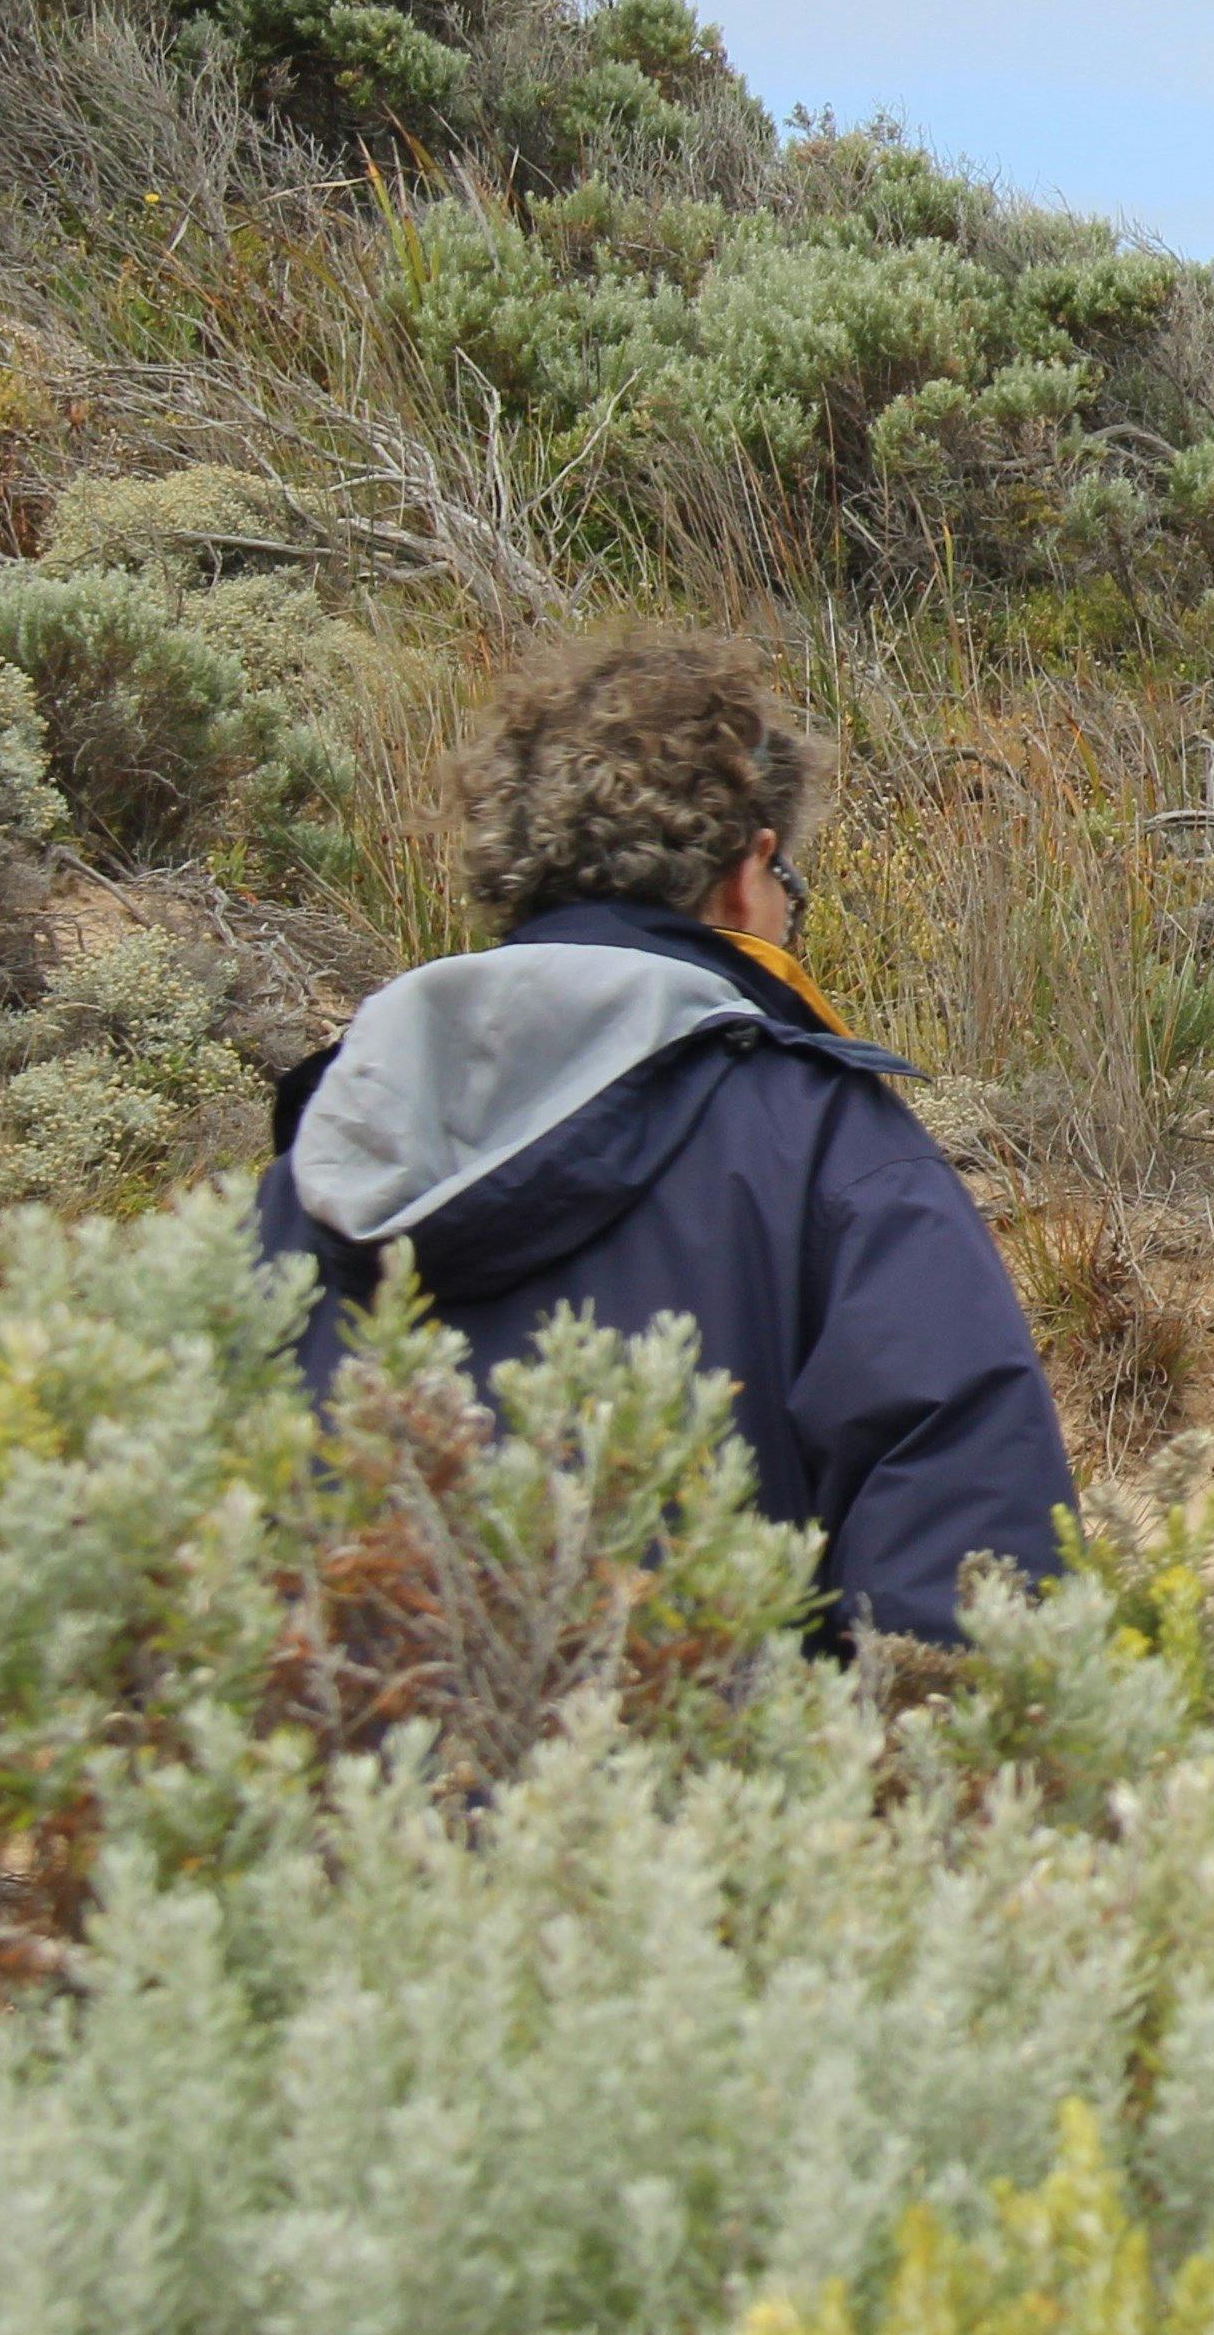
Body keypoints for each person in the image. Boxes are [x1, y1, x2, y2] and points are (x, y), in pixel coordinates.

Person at [249, 635, 1075, 1643]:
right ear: (748, 872)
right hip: (698, 1736)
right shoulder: (824, 1142)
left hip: (341, 1741)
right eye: (791, 889)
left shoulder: (327, 1150)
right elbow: (966, 1571)